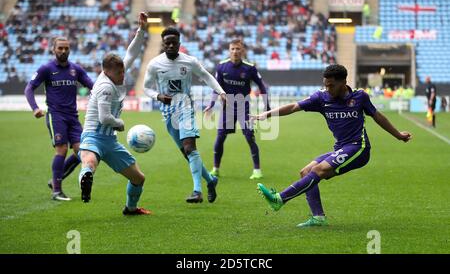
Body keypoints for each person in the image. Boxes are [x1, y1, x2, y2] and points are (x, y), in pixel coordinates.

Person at [251, 64, 412, 227]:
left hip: (359, 148)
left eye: (331, 85)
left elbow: (378, 116)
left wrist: (398, 135)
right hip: (341, 148)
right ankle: (318, 217)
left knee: (318, 170)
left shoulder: (360, 97)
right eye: (325, 85)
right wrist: (266, 115)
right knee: (305, 172)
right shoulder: (321, 98)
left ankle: (279, 199)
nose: (327, 88)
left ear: (343, 82)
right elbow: (294, 106)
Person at [78, 13, 151, 215]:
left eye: (123, 71)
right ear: (107, 72)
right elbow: (105, 118)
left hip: (109, 141)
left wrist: (142, 31)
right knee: (90, 163)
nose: (123, 75)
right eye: (119, 73)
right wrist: (119, 123)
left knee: (139, 178)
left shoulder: (115, 72)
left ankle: (131, 208)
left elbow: (132, 53)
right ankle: (85, 182)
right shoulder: (105, 87)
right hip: (93, 134)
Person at [144, 27, 226, 204]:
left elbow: (206, 76)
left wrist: (221, 92)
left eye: (174, 42)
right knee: (188, 154)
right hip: (168, 112)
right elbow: (146, 87)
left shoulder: (190, 61)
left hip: (186, 106)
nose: (171, 45)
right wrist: (157, 96)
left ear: (179, 44)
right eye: (168, 43)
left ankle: (197, 191)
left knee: (190, 148)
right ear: (163, 44)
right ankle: (211, 181)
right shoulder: (154, 64)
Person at [24, 36, 94, 201]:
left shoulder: (76, 69)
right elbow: (29, 88)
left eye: (66, 48)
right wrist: (35, 108)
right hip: (56, 116)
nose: (63, 51)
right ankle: (56, 191)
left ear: (70, 49)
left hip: (73, 117)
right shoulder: (46, 69)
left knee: (82, 151)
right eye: (60, 48)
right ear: (53, 50)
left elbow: (93, 86)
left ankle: (55, 179)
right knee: (61, 149)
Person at [203, 39, 270, 179]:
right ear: (229, 50)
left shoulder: (250, 68)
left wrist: (267, 105)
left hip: (243, 107)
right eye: (232, 49)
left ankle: (257, 170)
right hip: (227, 107)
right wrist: (211, 104)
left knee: (249, 137)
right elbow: (216, 88)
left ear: (242, 51)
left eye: (238, 49)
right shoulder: (222, 67)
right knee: (220, 138)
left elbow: (262, 86)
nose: (235, 51)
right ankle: (216, 169)